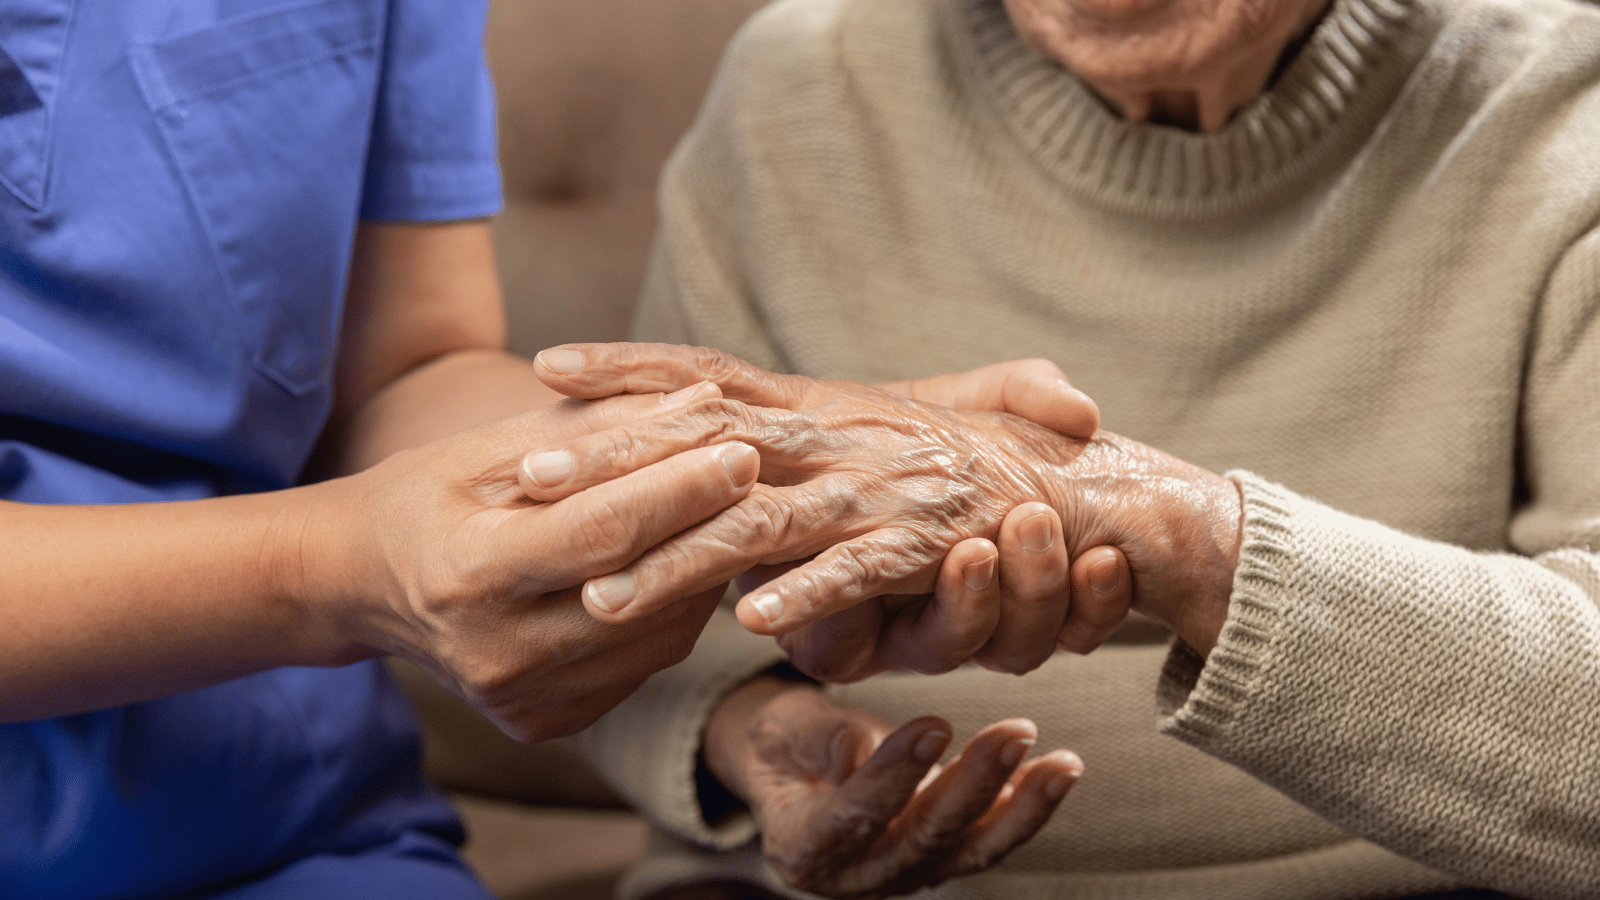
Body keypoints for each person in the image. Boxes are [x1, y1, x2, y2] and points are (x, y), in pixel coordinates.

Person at [0, 2, 1098, 897]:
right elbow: (347, 551)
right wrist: (332, 570)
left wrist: (773, 439)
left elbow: (403, 371)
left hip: (294, 830)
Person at [522, 0, 1600, 897]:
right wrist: (750, 734)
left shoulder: (1565, 98)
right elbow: (621, 617)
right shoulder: (793, 85)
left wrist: (1177, 533)